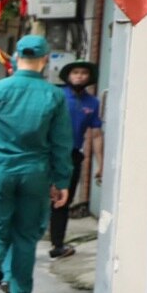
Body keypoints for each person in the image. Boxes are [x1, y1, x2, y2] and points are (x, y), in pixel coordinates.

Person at [0, 35, 73, 293]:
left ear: (16, 57)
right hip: (35, 174)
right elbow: (61, 142)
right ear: (45, 59)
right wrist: (62, 180)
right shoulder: (54, 95)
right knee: (26, 236)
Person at [53, 59, 103, 259]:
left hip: (72, 155)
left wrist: (100, 164)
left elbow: (97, 134)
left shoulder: (92, 102)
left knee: (63, 200)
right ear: (67, 76)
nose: (80, 76)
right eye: (75, 72)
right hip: (50, 152)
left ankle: (57, 244)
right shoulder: (57, 96)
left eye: (84, 73)